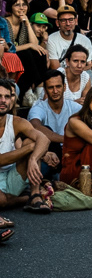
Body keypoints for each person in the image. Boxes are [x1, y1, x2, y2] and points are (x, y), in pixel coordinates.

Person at [0, 78, 51, 212]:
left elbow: (44, 138)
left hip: (13, 176)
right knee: (1, 201)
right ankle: (24, 198)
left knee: (32, 141)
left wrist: (34, 158)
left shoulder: (17, 122)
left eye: (7, 96)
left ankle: (34, 195)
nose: (3, 101)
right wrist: (28, 149)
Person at [28, 70, 81, 160]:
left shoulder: (74, 107)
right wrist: (66, 139)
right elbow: (35, 126)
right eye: (51, 87)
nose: (55, 91)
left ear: (64, 87)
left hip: (70, 151)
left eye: (58, 86)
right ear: (45, 90)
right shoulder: (39, 107)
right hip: (50, 152)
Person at [4, 0, 49, 97]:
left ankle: (39, 90)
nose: (21, 8)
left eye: (24, 5)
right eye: (17, 5)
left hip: (21, 56)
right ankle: (27, 93)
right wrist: (28, 45)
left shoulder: (24, 23)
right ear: (10, 7)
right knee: (27, 54)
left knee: (40, 53)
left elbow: (35, 45)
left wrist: (28, 23)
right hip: (6, 56)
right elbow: (7, 48)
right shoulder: (4, 23)